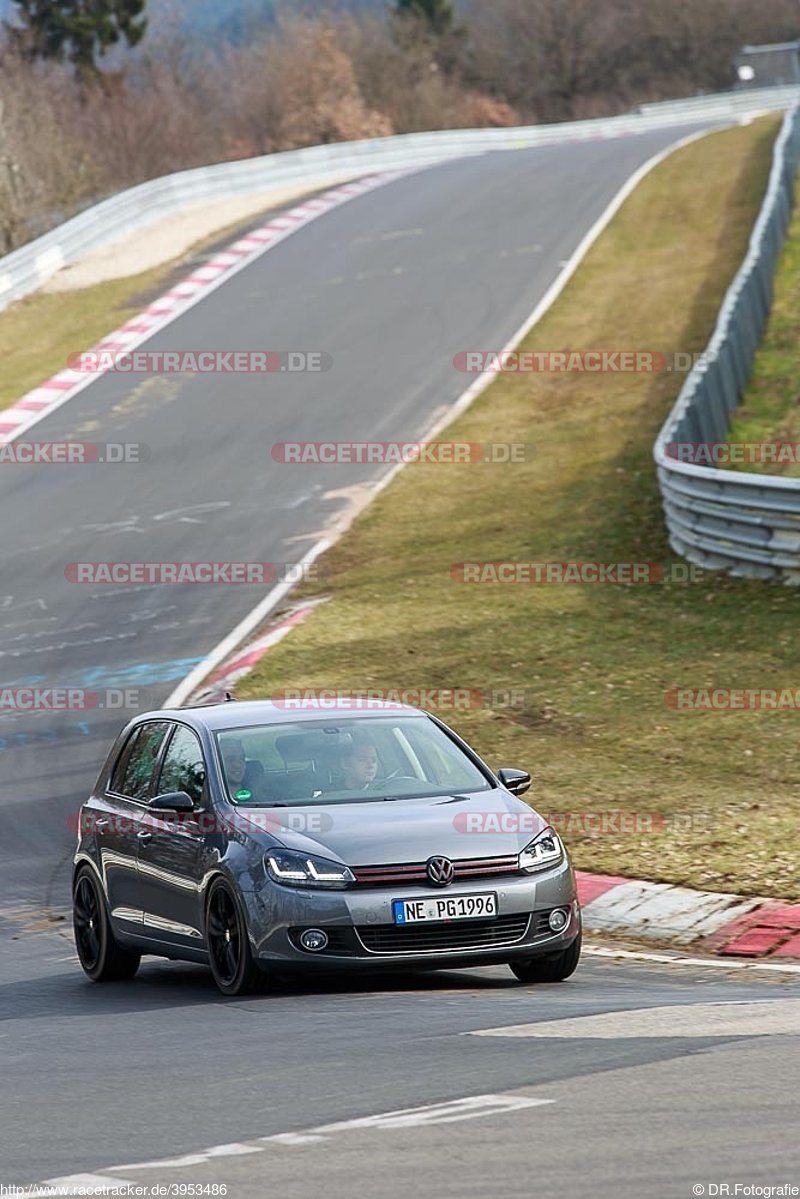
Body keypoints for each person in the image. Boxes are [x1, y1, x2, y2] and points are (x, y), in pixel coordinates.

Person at [220, 737, 267, 803]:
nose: (238, 765)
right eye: (230, 760)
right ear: (218, 763)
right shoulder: (214, 801)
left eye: (241, 759)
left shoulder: (261, 796)